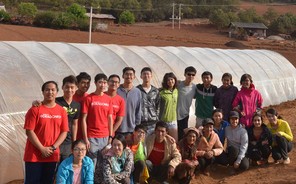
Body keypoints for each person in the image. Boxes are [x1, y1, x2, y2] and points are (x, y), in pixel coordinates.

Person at [23, 81, 68, 184]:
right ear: (43, 92)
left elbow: (64, 132)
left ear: (57, 92)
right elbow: (29, 131)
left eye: (53, 90)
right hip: (34, 155)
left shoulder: (61, 111)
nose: (50, 92)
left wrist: (52, 148)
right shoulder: (35, 109)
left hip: (51, 155)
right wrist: (42, 148)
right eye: (47, 90)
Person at [81, 73, 113, 166]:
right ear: (95, 83)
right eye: (100, 82)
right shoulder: (89, 98)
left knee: (104, 163)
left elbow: (110, 118)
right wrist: (86, 138)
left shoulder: (108, 99)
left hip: (105, 137)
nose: (102, 85)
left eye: (104, 82)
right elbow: (83, 119)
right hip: (92, 137)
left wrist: (110, 136)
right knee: (92, 163)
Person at [57, 75, 81, 162]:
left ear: (76, 88)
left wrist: (74, 142)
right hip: (55, 140)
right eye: (67, 87)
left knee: (65, 167)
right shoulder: (56, 102)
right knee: (53, 167)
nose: (69, 90)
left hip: (68, 142)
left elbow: (75, 124)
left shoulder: (77, 105)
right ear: (62, 87)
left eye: (72, 87)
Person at [117, 67, 142, 138]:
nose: (129, 76)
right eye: (126, 74)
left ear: (134, 77)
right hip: (118, 128)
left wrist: (137, 127)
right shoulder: (117, 90)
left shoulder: (137, 92)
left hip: (132, 129)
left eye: (131, 74)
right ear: (123, 76)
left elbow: (138, 110)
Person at [137, 67, 160, 135]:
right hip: (140, 123)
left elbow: (158, 106)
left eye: (148, 74)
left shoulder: (155, 91)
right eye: (144, 74)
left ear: (151, 76)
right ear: (141, 76)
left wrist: (156, 118)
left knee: (151, 143)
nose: (146, 76)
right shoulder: (137, 90)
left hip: (152, 123)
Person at [177, 66, 197, 141]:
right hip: (174, 115)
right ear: (185, 74)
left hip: (184, 115)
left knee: (182, 137)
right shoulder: (178, 85)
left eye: (193, 75)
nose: (191, 76)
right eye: (189, 74)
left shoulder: (194, 87)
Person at [159, 72, 178, 141]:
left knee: (174, 141)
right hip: (164, 120)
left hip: (173, 120)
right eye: (168, 80)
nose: (170, 81)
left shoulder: (176, 91)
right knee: (164, 141)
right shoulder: (161, 93)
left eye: (172, 79)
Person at [73, 72, 91, 141]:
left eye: (88, 83)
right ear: (77, 84)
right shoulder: (71, 97)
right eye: (83, 82)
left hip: (86, 135)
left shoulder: (89, 98)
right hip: (73, 133)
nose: (86, 85)